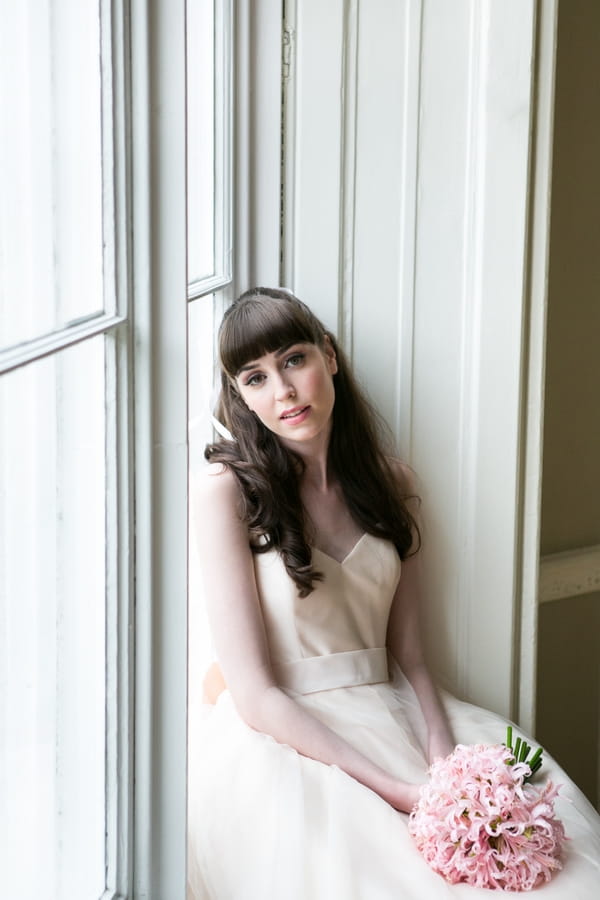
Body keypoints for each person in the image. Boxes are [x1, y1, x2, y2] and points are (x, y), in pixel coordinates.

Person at [187, 288, 600, 899]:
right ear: (240, 396)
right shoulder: (224, 491)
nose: (284, 391)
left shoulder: (392, 482)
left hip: (393, 710)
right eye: (255, 378)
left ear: (328, 355)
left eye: (293, 359)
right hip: (285, 740)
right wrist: (397, 791)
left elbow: (409, 657)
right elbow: (255, 693)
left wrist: (443, 756)